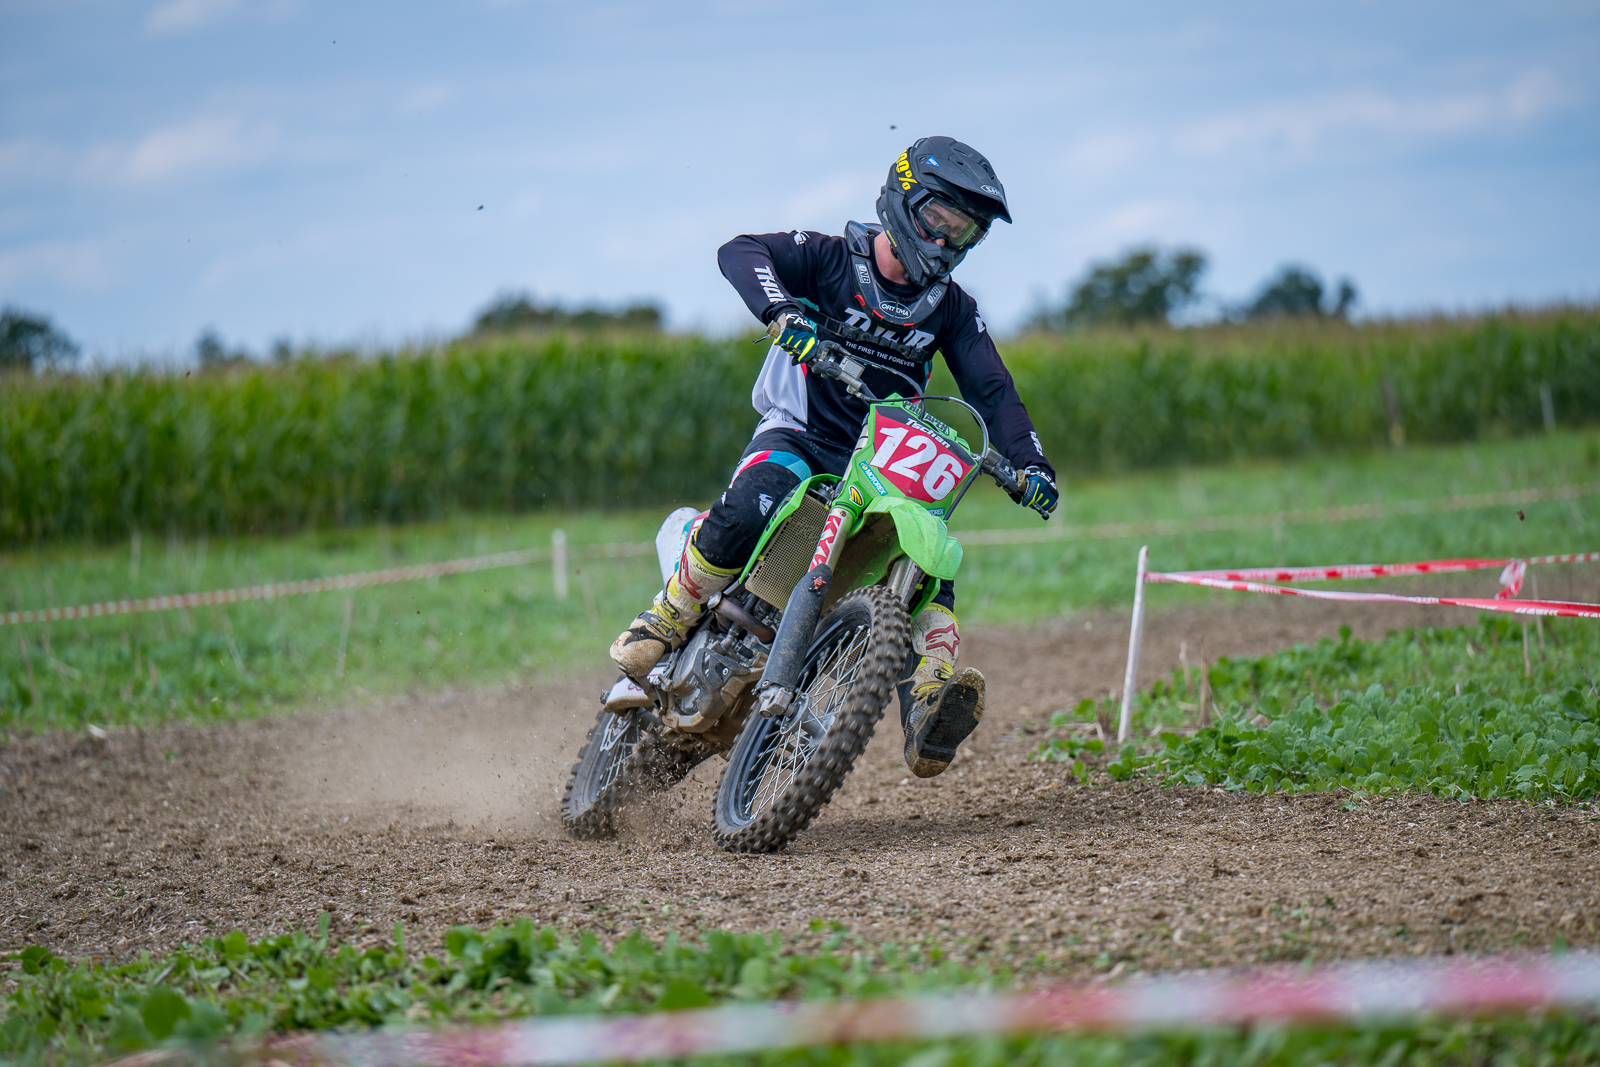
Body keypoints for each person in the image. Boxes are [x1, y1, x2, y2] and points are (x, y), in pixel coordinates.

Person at [610, 136, 1058, 778]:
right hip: (800, 433)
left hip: (880, 459)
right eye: (937, 220)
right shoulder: (829, 259)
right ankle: (669, 614)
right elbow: (741, 251)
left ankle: (930, 699)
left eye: (962, 233)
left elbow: (992, 389)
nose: (943, 242)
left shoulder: (952, 309)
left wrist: (1030, 464)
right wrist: (781, 311)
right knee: (753, 502)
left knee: (926, 561)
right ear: (903, 202)